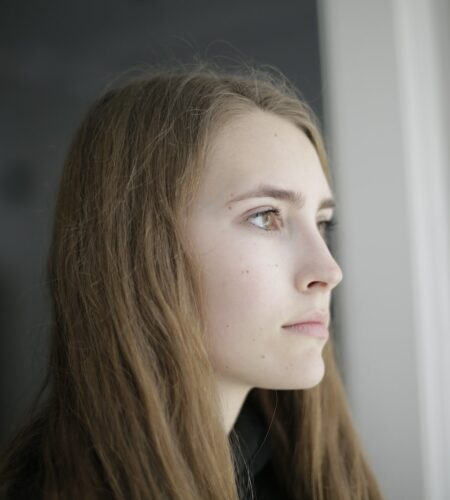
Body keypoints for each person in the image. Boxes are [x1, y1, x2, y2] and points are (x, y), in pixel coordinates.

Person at [0, 62, 383, 499]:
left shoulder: (303, 477)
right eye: (265, 217)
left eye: (323, 223)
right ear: (140, 248)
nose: (330, 272)